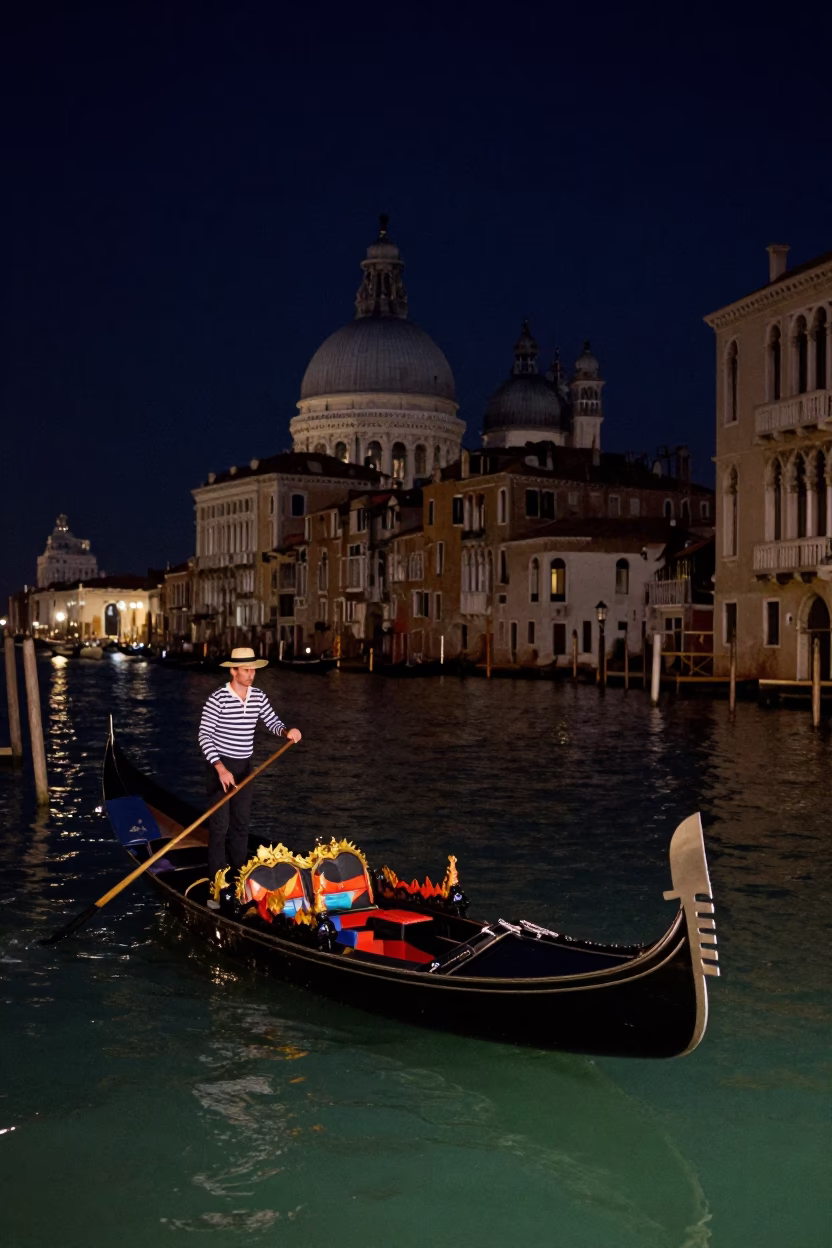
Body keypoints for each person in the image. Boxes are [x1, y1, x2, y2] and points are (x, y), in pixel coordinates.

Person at [198, 646, 302, 910]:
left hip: (244, 769)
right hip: (219, 769)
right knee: (219, 829)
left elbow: (272, 722)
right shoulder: (217, 699)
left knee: (241, 826)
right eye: (246, 670)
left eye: (253, 669)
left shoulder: (258, 697)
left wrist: (287, 731)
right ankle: (217, 890)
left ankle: (239, 883)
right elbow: (204, 736)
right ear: (233, 670)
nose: (251, 674)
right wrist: (220, 768)